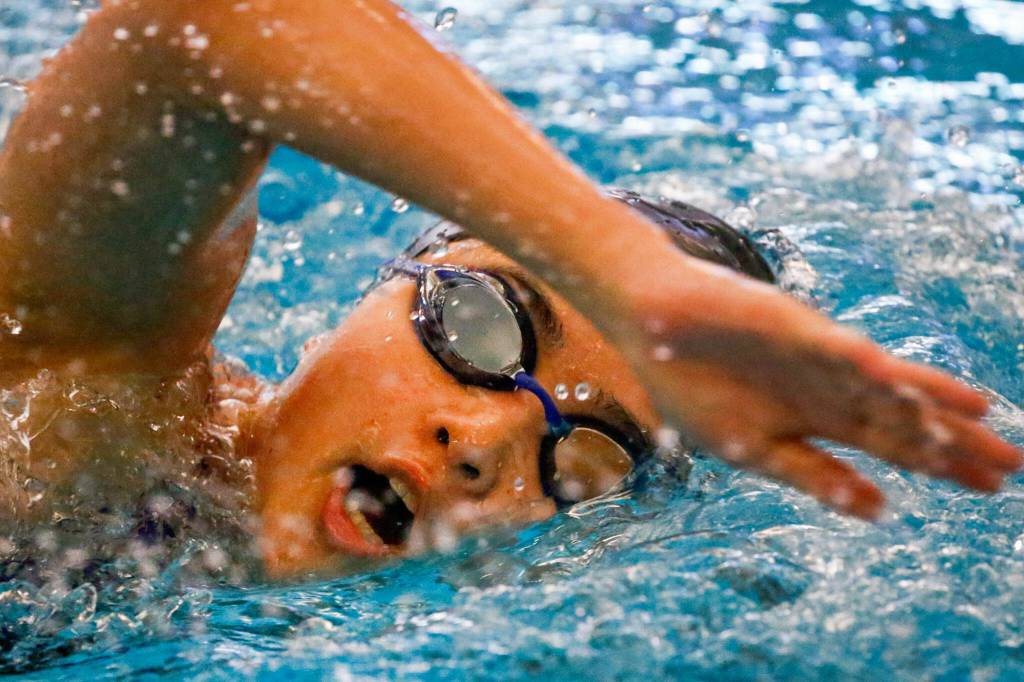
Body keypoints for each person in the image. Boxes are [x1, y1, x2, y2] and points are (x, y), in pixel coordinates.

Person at [0, 0, 1018, 579]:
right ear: (376, 290)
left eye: (577, 457)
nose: (481, 443)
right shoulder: (89, 403)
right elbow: (202, 26)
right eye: (478, 326)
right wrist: (628, 272)